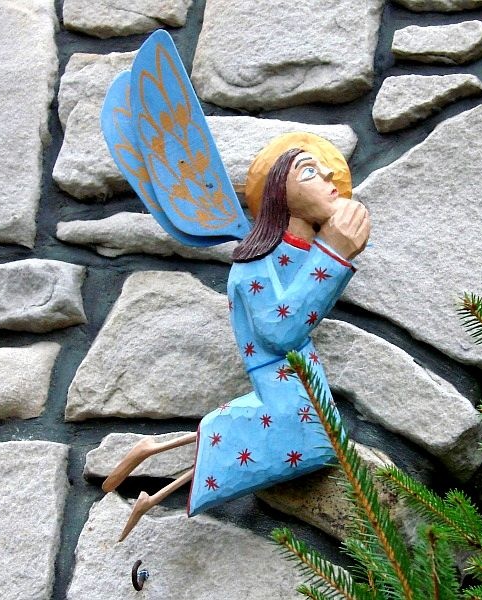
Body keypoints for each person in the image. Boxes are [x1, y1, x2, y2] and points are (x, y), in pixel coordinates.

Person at [101, 133, 370, 541]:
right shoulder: (255, 263)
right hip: (280, 377)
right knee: (315, 443)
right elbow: (281, 330)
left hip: (300, 374)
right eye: (309, 171)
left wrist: (330, 251)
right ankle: (164, 462)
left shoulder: (296, 251)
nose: (330, 174)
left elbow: (309, 308)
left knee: (311, 442)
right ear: (279, 194)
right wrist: (332, 253)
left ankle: (154, 478)